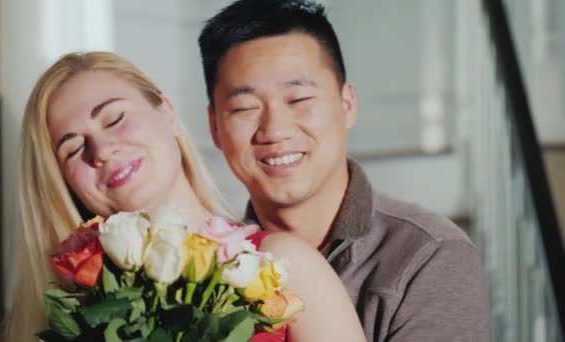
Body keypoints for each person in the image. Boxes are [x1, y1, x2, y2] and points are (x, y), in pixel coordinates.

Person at [2, 52, 366, 342]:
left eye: (114, 119)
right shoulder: (70, 313)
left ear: (168, 114)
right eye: (73, 148)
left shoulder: (285, 265)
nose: (101, 150)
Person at [198, 0, 491, 341]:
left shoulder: (427, 255)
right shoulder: (206, 268)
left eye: (299, 100)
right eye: (245, 107)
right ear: (214, 127)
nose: (275, 130)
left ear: (347, 105)